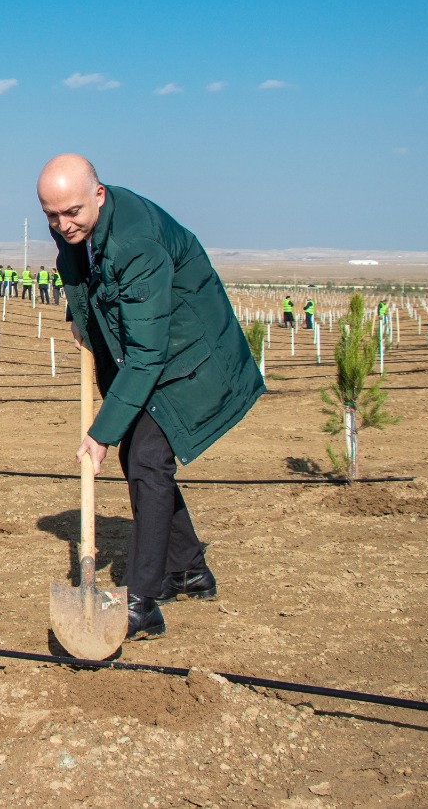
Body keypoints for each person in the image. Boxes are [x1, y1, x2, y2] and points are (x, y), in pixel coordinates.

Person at [37, 154, 264, 641]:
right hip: (155, 351)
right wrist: (79, 315)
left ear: (98, 195)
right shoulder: (73, 224)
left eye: (72, 212)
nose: (62, 224)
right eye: (51, 215)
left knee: (144, 456)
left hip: (193, 355)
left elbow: (146, 357)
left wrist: (100, 433)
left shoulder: (136, 243)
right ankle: (187, 568)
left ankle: (142, 599)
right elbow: (76, 272)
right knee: (141, 459)